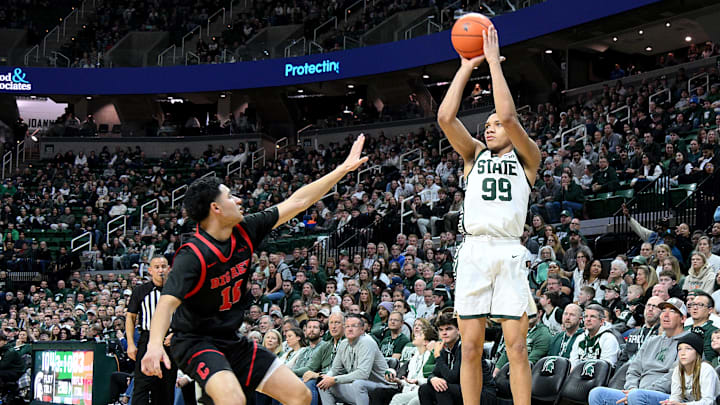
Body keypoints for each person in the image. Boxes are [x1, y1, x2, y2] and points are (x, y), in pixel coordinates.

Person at [140, 135, 368, 405]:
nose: (238, 200)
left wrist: (342, 169)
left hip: (232, 340)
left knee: (300, 396)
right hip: (195, 342)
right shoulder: (193, 254)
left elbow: (297, 202)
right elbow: (166, 303)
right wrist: (154, 345)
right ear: (216, 208)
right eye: (229, 196)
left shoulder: (246, 229)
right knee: (233, 400)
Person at [436, 25, 540, 405]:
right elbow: (446, 118)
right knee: (470, 348)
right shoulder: (474, 154)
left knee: (516, 348)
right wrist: (466, 67)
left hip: (509, 249)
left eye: (494, 125)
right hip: (474, 250)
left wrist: (494, 64)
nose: (490, 127)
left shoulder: (529, 157)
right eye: (487, 125)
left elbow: (511, 117)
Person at [588, 297, 689, 405]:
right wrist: (632, 388)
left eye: (672, 311)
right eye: (663, 311)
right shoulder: (651, 341)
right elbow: (633, 369)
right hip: (636, 393)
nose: (666, 315)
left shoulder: (688, 343)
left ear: (683, 319)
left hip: (666, 396)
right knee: (597, 394)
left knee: (636, 396)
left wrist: (641, 392)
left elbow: (675, 376)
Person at [126, 255, 177, 405]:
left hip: (170, 341)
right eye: (157, 267)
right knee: (142, 384)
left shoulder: (177, 290)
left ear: (169, 269)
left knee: (166, 388)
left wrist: (176, 334)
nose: (160, 270)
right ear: (150, 270)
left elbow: (187, 316)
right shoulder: (141, 291)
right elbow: (130, 317)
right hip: (148, 339)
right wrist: (130, 343)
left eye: (163, 267)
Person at [317, 313, 392, 405]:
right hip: (360, 388)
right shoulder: (344, 344)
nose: (350, 329)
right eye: (347, 326)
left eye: (354, 326)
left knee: (358, 384)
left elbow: (362, 374)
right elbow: (335, 370)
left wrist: (334, 379)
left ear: (362, 329)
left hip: (382, 387)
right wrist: (328, 378)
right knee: (324, 385)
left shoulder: (367, 342)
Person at [661, 332, 720, 405]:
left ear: (697, 353)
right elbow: (676, 396)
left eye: (688, 349)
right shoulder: (678, 370)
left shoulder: (706, 369)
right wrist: (671, 403)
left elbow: (708, 401)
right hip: (688, 403)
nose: (683, 353)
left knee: (643, 395)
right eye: (679, 349)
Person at [568, 304, 620, 368]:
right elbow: (572, 364)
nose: (588, 319)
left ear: (601, 321)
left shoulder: (609, 339)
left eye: (592, 316)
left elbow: (606, 368)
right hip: (578, 376)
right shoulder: (580, 338)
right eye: (586, 316)